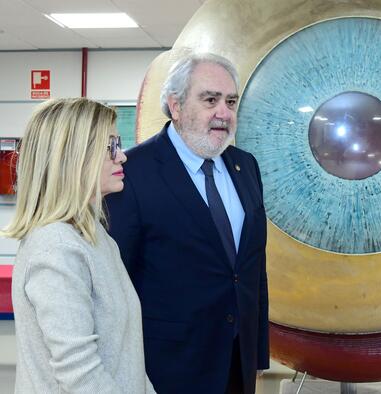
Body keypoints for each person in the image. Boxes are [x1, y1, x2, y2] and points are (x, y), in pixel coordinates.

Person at [105, 53, 269, 394]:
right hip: (168, 365)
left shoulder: (246, 166)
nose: (223, 113)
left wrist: (257, 352)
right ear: (175, 105)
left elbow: (252, 267)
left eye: (230, 101)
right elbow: (117, 281)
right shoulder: (133, 172)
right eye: (210, 100)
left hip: (238, 360)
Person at [6, 98, 155, 393]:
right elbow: (81, 375)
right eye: (111, 146)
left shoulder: (94, 236)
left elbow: (128, 362)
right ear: (72, 157)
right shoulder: (56, 247)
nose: (122, 156)